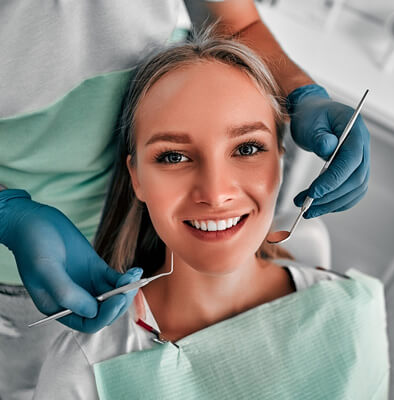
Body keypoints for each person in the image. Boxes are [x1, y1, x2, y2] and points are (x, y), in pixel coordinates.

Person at [0, 1, 370, 398]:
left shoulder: (354, 314)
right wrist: (8, 213)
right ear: (135, 175)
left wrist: (301, 90)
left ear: (281, 160)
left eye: (246, 148)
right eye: (173, 156)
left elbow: (236, 20)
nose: (215, 194)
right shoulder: (80, 368)